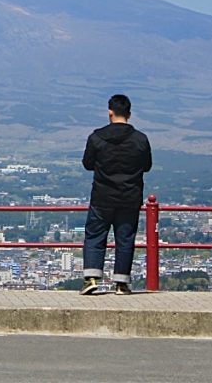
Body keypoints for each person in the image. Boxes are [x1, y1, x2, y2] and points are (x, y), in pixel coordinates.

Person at [80, 94, 152, 296]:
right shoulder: (140, 139)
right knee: (125, 238)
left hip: (102, 196)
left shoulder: (96, 137)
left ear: (109, 112)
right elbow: (146, 166)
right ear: (129, 113)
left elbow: (87, 164)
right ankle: (121, 282)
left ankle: (92, 278)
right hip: (130, 197)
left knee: (95, 235)